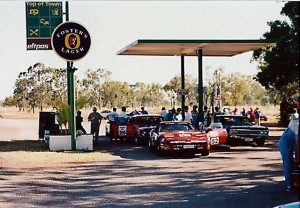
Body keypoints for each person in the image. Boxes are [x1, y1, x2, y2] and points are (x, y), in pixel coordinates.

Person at [278, 115, 299, 192]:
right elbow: (298, 141)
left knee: (291, 163)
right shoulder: (297, 123)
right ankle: (289, 186)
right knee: (288, 164)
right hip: (285, 144)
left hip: (290, 143)